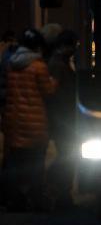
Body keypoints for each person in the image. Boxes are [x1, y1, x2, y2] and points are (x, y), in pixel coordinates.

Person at [2, 29, 57, 211]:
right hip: (34, 122)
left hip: (14, 120)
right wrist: (55, 81)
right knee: (35, 163)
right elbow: (48, 91)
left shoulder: (10, 63)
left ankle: (14, 199)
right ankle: (36, 199)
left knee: (16, 162)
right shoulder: (39, 66)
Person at [44, 29, 78, 210]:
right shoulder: (58, 64)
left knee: (67, 155)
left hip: (64, 117)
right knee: (67, 156)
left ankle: (60, 192)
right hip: (62, 118)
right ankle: (59, 192)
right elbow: (53, 89)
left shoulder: (60, 62)